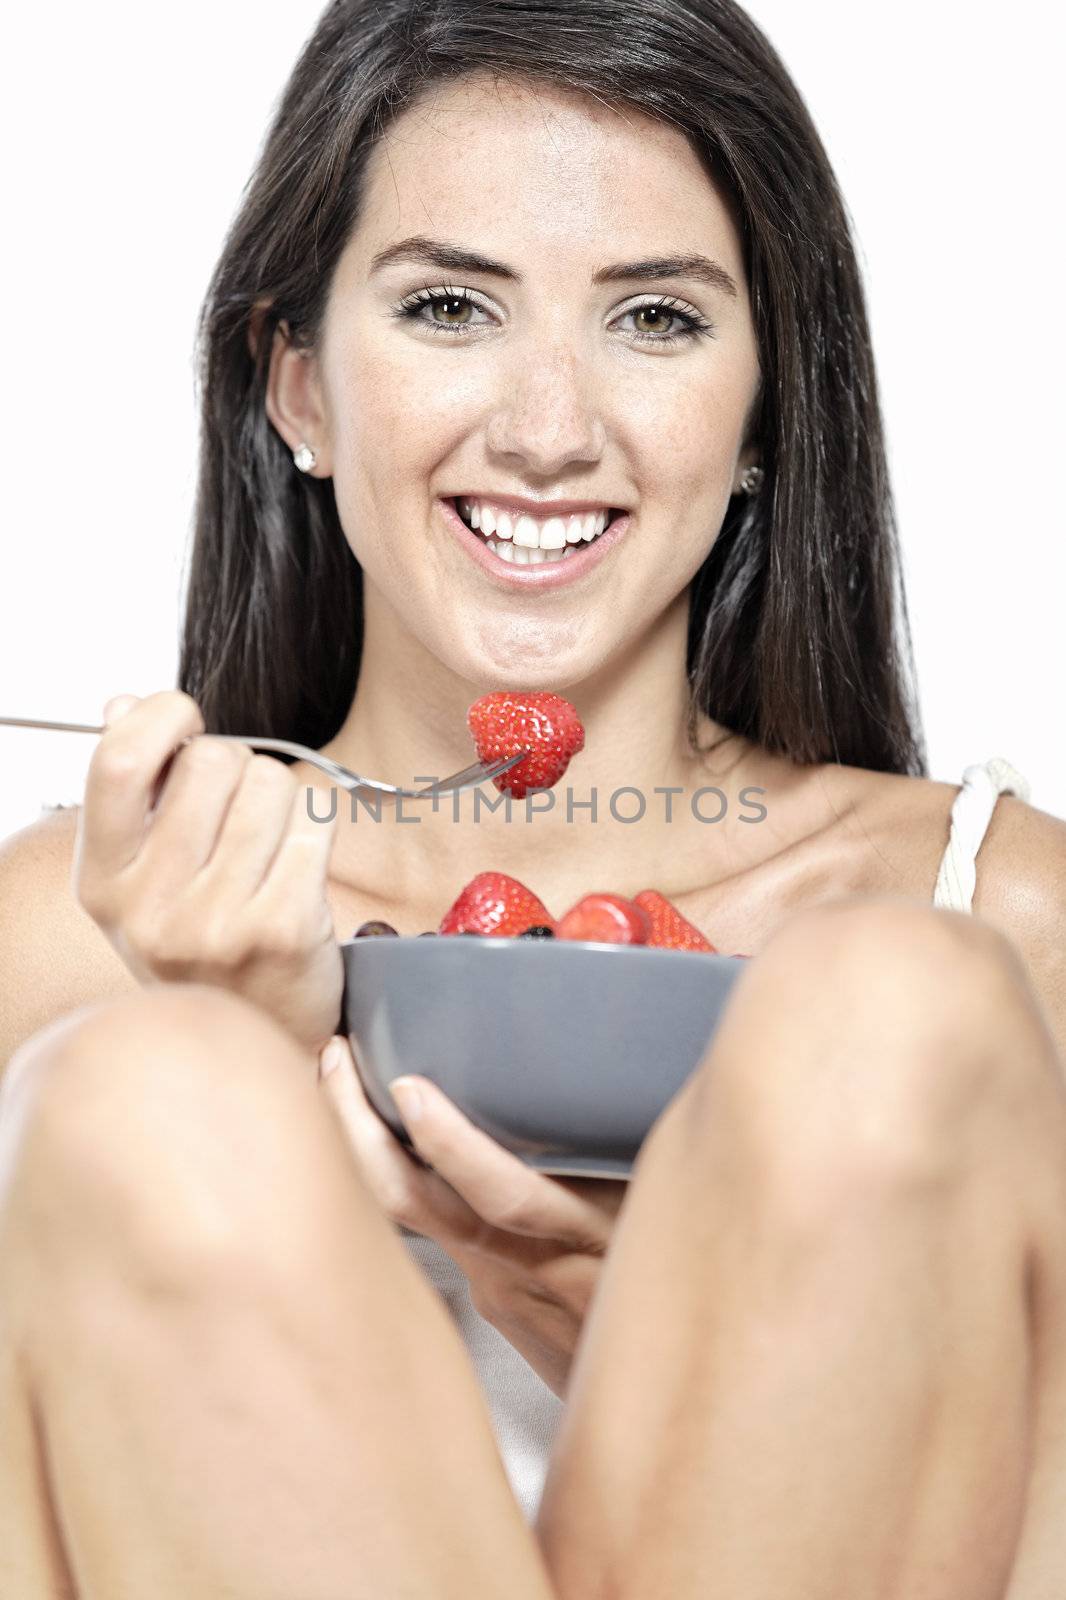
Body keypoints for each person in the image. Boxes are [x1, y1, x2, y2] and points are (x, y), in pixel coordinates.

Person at [1, 0, 1064, 1595]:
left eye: (653, 321)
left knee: (894, 1005)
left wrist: (711, 1343)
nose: (549, 433)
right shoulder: (68, 934)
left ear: (765, 408)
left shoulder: (1006, 922)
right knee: (148, 1092)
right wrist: (273, 1063)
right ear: (296, 387)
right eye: (446, 306)